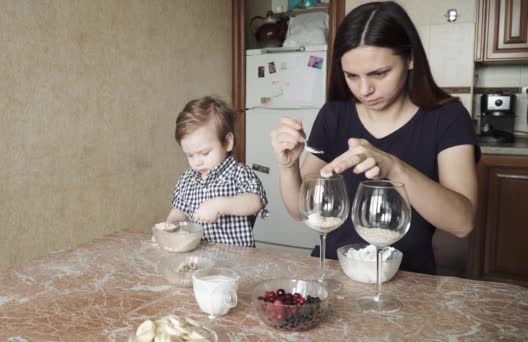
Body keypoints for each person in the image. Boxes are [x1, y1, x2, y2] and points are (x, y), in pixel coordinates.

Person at [270, 1, 480, 274]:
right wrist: (288, 166)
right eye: (351, 76)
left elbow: (462, 223)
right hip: (334, 269)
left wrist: (393, 167)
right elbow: (301, 211)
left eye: (379, 73)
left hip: (410, 278)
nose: (365, 89)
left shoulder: (448, 118)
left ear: (410, 58)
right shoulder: (335, 114)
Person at [167, 96, 268, 247]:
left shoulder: (239, 173)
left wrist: (219, 205)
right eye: (190, 155)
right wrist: (170, 226)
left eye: (205, 153)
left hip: (236, 259)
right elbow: (179, 212)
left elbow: (255, 201)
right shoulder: (187, 180)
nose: (197, 161)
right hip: (198, 256)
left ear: (227, 142)